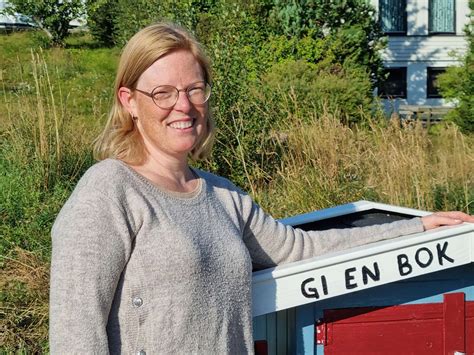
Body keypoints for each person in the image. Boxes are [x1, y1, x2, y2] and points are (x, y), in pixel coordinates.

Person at [49, 22, 474, 354]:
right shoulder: (108, 191)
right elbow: (75, 333)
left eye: (195, 89)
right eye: (163, 93)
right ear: (129, 101)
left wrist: (414, 230)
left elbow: (300, 249)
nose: (183, 105)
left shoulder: (222, 196)